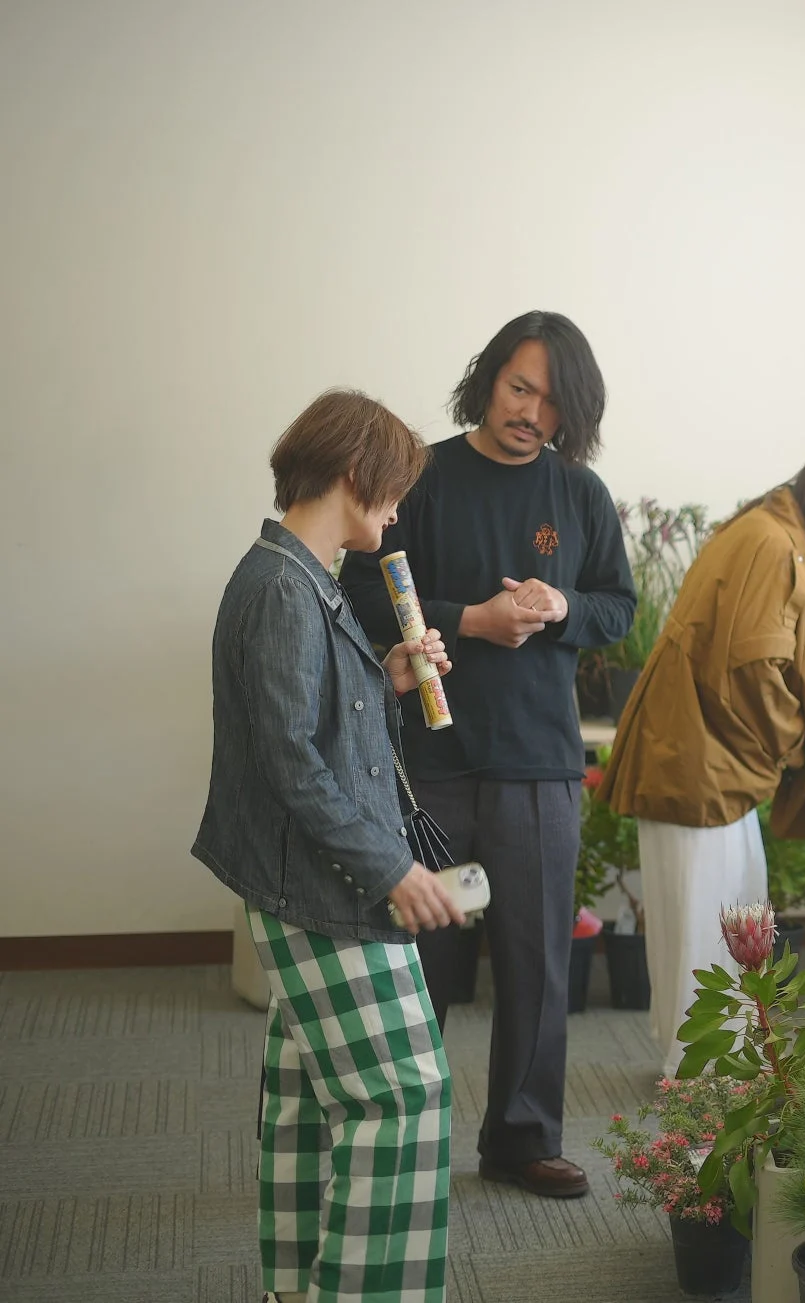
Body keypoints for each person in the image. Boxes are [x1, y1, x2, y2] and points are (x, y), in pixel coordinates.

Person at [343, 311, 635, 1201]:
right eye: (518, 387)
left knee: (538, 959)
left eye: (551, 400)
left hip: (541, 762)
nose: (530, 411)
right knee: (419, 961)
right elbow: (359, 587)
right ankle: (405, 1135)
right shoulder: (424, 478)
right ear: (488, 379)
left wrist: (558, 608)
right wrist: (471, 618)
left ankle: (521, 1137)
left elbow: (616, 607)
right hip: (431, 758)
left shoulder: (580, 494)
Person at [193, 389, 463, 1303]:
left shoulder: (298, 574)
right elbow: (289, 764)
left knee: (313, 1102)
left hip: (309, 878)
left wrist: (386, 674)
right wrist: (395, 867)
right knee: (403, 1096)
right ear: (355, 475)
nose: (395, 512)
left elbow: (309, 720)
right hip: (325, 884)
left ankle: (298, 1285)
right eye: (392, 491)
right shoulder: (280, 584)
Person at [600, 434, 805, 1075]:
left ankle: (710, 1066)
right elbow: (757, 667)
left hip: (707, 758)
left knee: (724, 918)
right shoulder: (772, 541)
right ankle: (705, 1077)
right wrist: (792, 743)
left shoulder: (775, 532)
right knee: (711, 927)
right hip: (699, 762)